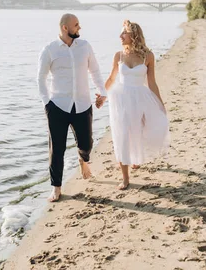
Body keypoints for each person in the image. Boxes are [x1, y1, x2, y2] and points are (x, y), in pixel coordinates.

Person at [37, 13, 107, 202]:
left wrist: (102, 91)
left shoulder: (85, 47)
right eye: (76, 25)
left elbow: (95, 71)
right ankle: (56, 188)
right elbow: (41, 78)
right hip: (57, 105)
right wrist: (47, 103)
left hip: (83, 104)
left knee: (87, 144)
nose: (79, 28)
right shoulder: (50, 50)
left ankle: (83, 160)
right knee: (56, 149)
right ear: (65, 28)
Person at [104, 20, 169, 190]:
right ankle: (125, 177)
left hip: (141, 97)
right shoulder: (119, 55)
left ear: (133, 35)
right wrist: (102, 96)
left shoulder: (148, 56)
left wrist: (160, 104)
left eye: (123, 33)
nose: (120, 36)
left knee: (139, 131)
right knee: (122, 134)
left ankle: (135, 158)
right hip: (121, 98)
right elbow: (111, 79)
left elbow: (152, 83)